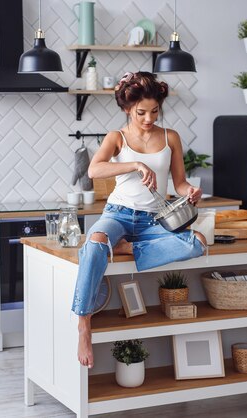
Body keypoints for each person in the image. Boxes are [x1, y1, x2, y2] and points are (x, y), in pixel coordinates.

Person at [71, 71, 207, 368]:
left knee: (197, 242)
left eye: (154, 111)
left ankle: (127, 248)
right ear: (127, 109)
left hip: (153, 221)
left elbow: (179, 182)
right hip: (117, 214)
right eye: (141, 112)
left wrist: (190, 192)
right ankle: (84, 323)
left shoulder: (170, 137)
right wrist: (134, 163)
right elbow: (94, 171)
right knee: (94, 244)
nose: (148, 118)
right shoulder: (116, 138)